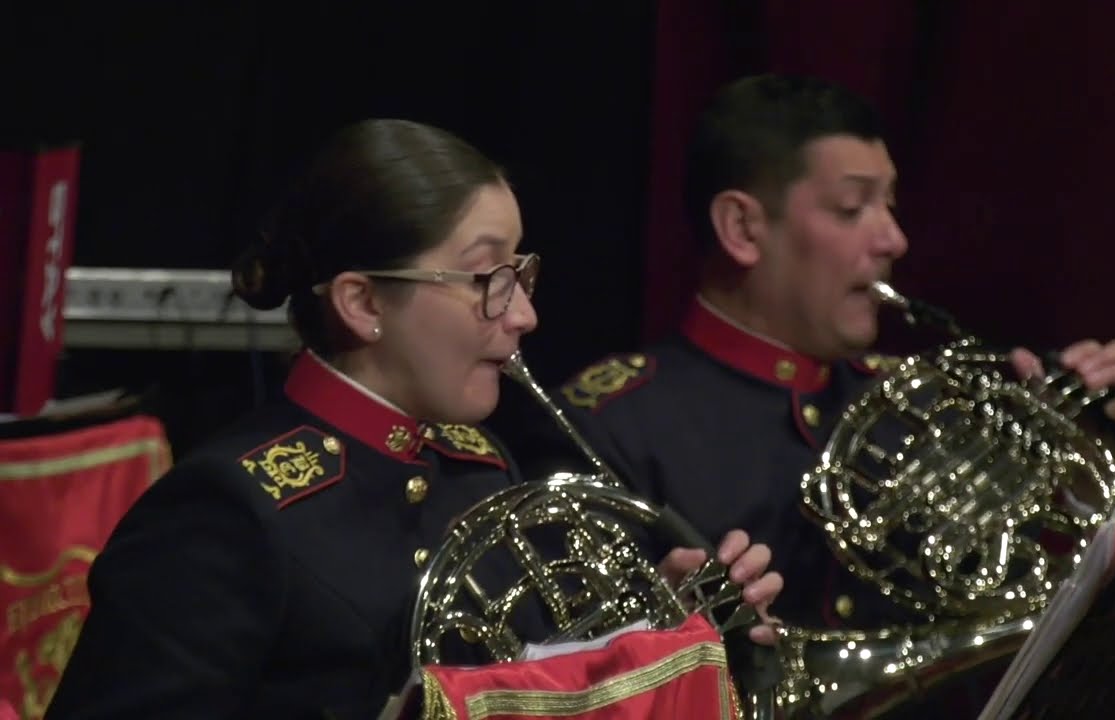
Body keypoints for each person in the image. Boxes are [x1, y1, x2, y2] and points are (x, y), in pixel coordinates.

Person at [45, 118, 783, 719]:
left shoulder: (480, 466)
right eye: (486, 279)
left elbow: (525, 681)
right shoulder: (226, 511)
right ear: (363, 304)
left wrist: (653, 636)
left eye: (520, 274)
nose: (523, 313)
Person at [499, 73, 1115, 714]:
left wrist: (1078, 463)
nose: (892, 239)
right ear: (743, 229)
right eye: (852, 208)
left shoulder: (925, 405)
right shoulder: (605, 426)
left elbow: (1048, 623)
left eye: (890, 205)